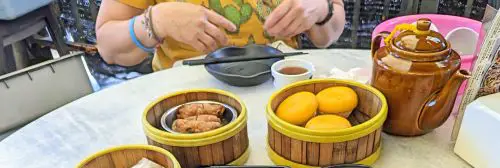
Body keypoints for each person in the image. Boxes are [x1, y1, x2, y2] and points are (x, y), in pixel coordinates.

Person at [96, 0, 345, 71]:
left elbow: (328, 34)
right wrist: (155, 20)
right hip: (185, 100)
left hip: (284, 90)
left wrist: (322, 8)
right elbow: (108, 46)